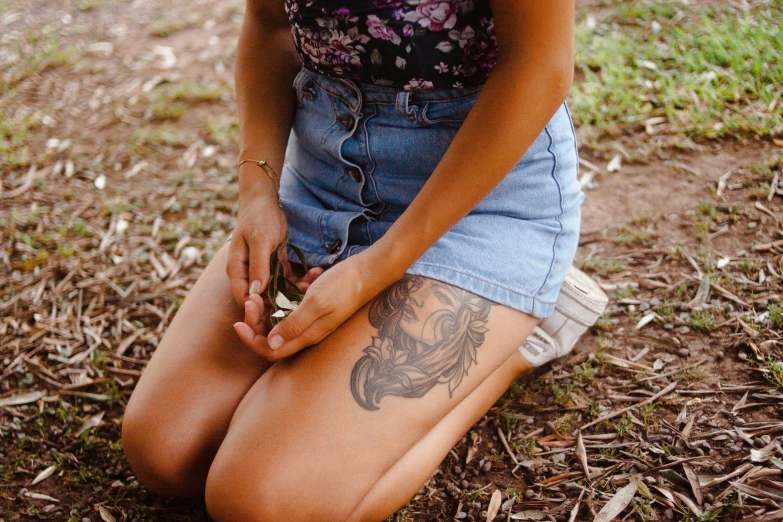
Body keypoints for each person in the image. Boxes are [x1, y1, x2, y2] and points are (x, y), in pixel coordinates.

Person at [121, 0, 600, 520]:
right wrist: (257, 192)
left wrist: (377, 268)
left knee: (257, 505)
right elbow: (270, 24)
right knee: (165, 454)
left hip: (479, 201)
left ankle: (515, 351)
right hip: (324, 181)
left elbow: (540, 65)